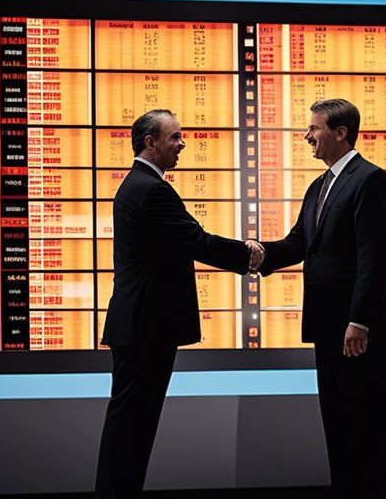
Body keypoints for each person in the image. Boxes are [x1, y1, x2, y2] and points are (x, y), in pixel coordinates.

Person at [95, 109, 263, 498]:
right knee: (132, 431)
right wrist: (248, 255)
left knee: (130, 428)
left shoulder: (136, 184)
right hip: (146, 329)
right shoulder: (152, 189)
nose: (182, 144)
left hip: (138, 327)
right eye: (174, 137)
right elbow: (196, 241)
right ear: (149, 142)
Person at [256, 99, 386, 498]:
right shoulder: (319, 187)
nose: (307, 136)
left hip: (356, 330)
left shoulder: (370, 179)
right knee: (338, 423)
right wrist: (257, 254)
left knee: (371, 423)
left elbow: (374, 258)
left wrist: (360, 321)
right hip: (326, 327)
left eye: (314, 128)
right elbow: (298, 244)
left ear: (340, 133)